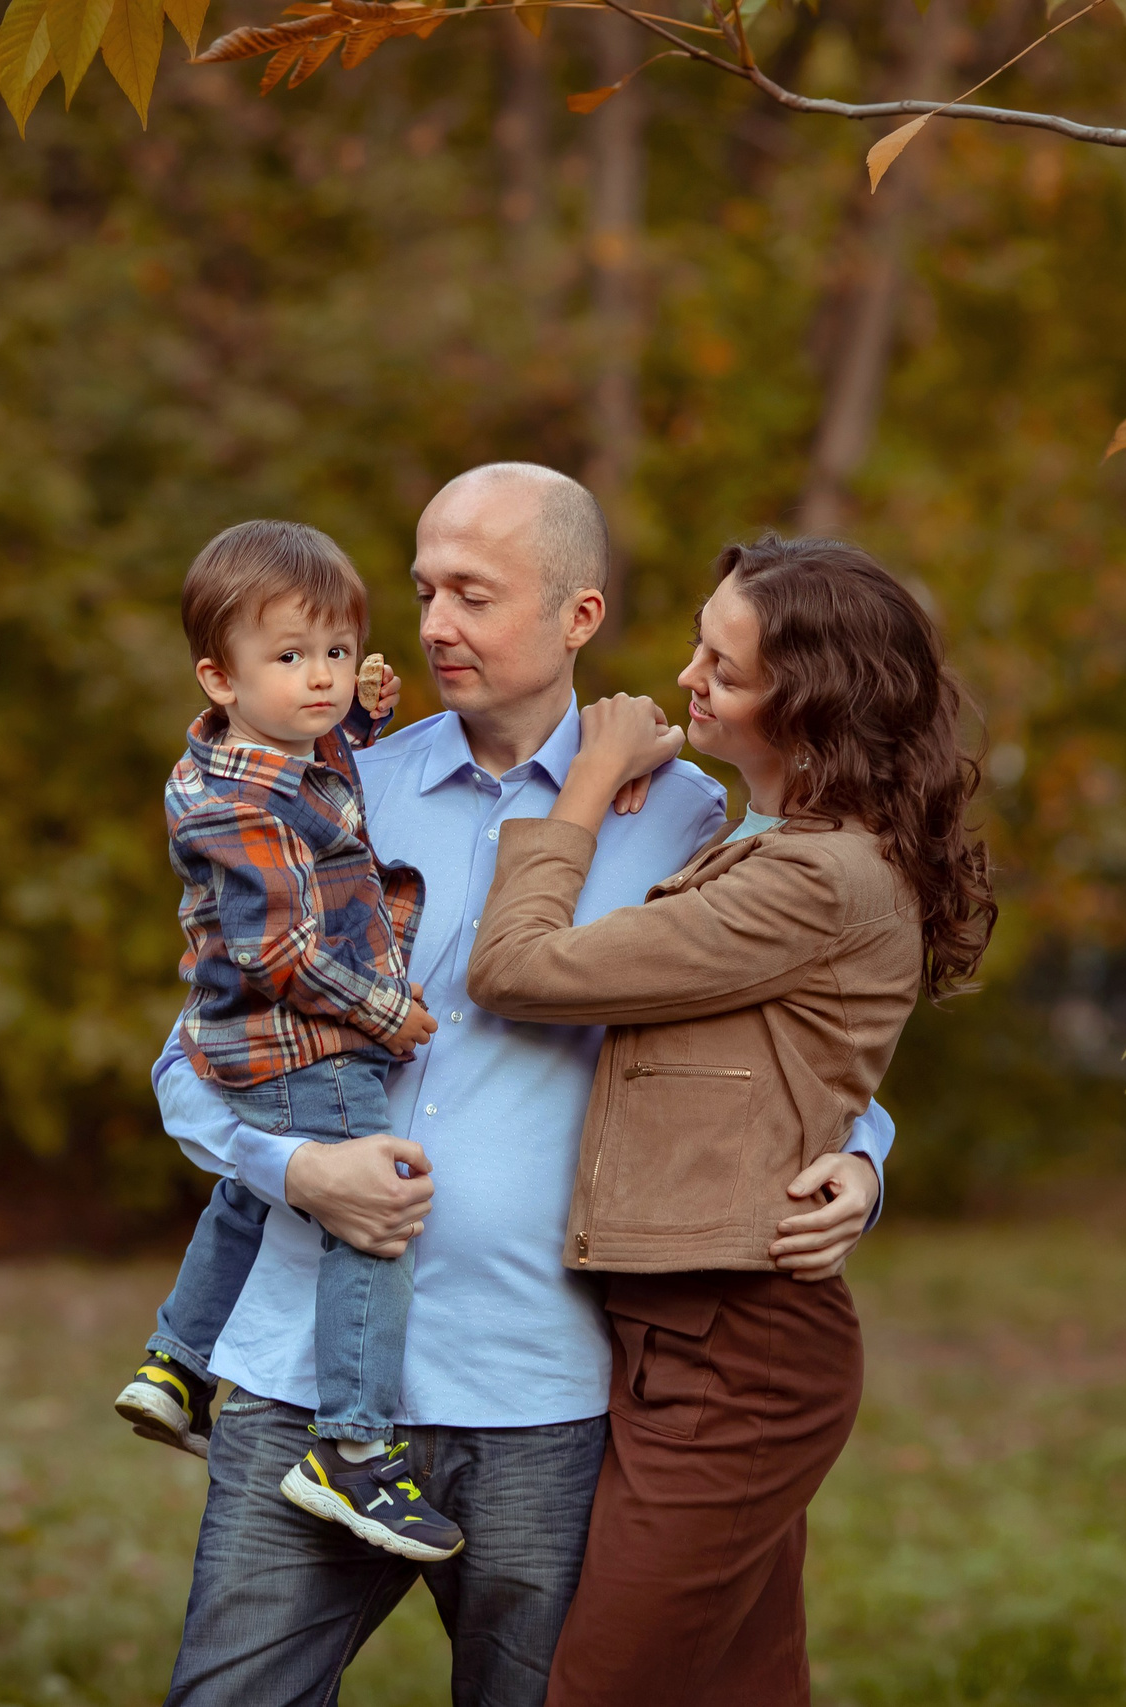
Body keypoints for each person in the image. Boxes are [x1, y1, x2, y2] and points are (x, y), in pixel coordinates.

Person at [149, 467, 897, 1707]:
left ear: (578, 619)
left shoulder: (683, 818)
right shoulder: (337, 789)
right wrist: (297, 1169)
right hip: (309, 1388)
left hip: (544, 1395)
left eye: (473, 595)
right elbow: (193, 1054)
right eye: (425, 589)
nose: (432, 623)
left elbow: (787, 1034)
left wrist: (864, 1151)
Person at [467, 533, 996, 1707]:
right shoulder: (755, 841)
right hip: (684, 1333)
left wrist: (588, 783)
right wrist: (865, 1156)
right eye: (701, 645)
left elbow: (515, 970)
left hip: (739, 1355)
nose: (688, 677)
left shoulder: (813, 876)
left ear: (808, 706)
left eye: (726, 666)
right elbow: (779, 1078)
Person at [114, 519, 466, 1563]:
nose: (322, 680)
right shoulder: (247, 809)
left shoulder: (256, 756)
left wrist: (358, 718)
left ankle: (173, 1362)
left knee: (247, 1191)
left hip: (256, 1049)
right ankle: (352, 1451)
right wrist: (386, 1013)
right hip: (308, 1043)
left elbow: (321, 768)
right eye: (290, 658)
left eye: (338, 654)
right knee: (375, 1219)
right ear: (219, 676)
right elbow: (287, 956)